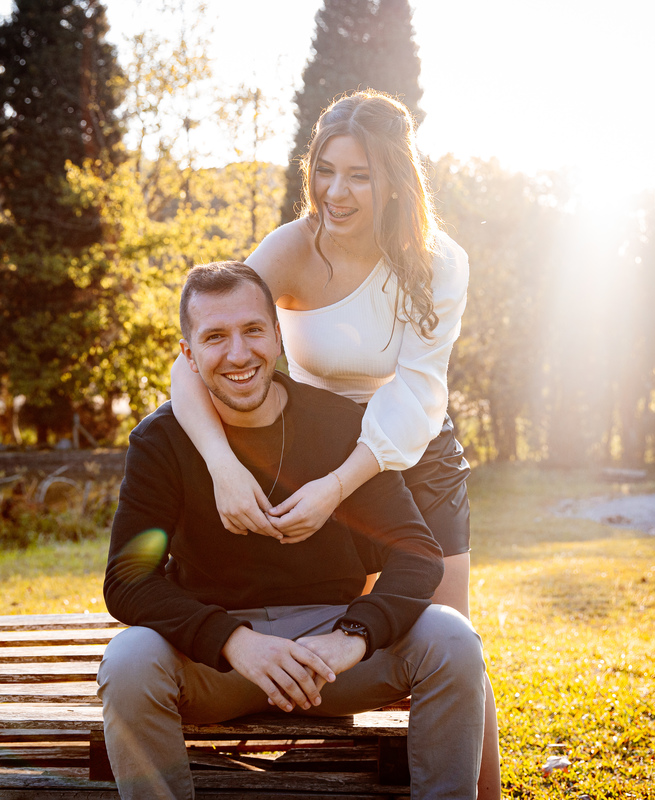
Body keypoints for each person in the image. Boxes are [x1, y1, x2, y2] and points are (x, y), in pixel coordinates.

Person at [168, 90, 501, 796]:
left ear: (395, 180)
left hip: (413, 456)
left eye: (359, 175)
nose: (336, 192)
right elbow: (195, 354)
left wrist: (338, 486)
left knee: (449, 640)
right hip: (316, 449)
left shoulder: (440, 261)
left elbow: (416, 392)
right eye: (325, 170)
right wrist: (222, 464)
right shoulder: (289, 250)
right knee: (350, 632)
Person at [100, 262, 486, 799]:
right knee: (128, 660)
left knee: (452, 638)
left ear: (279, 336)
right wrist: (233, 642)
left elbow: (417, 552)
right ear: (188, 354)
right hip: (218, 661)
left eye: (253, 330)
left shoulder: (340, 424)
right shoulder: (160, 442)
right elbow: (127, 579)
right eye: (215, 337)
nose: (238, 354)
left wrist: (352, 636)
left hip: (329, 654)